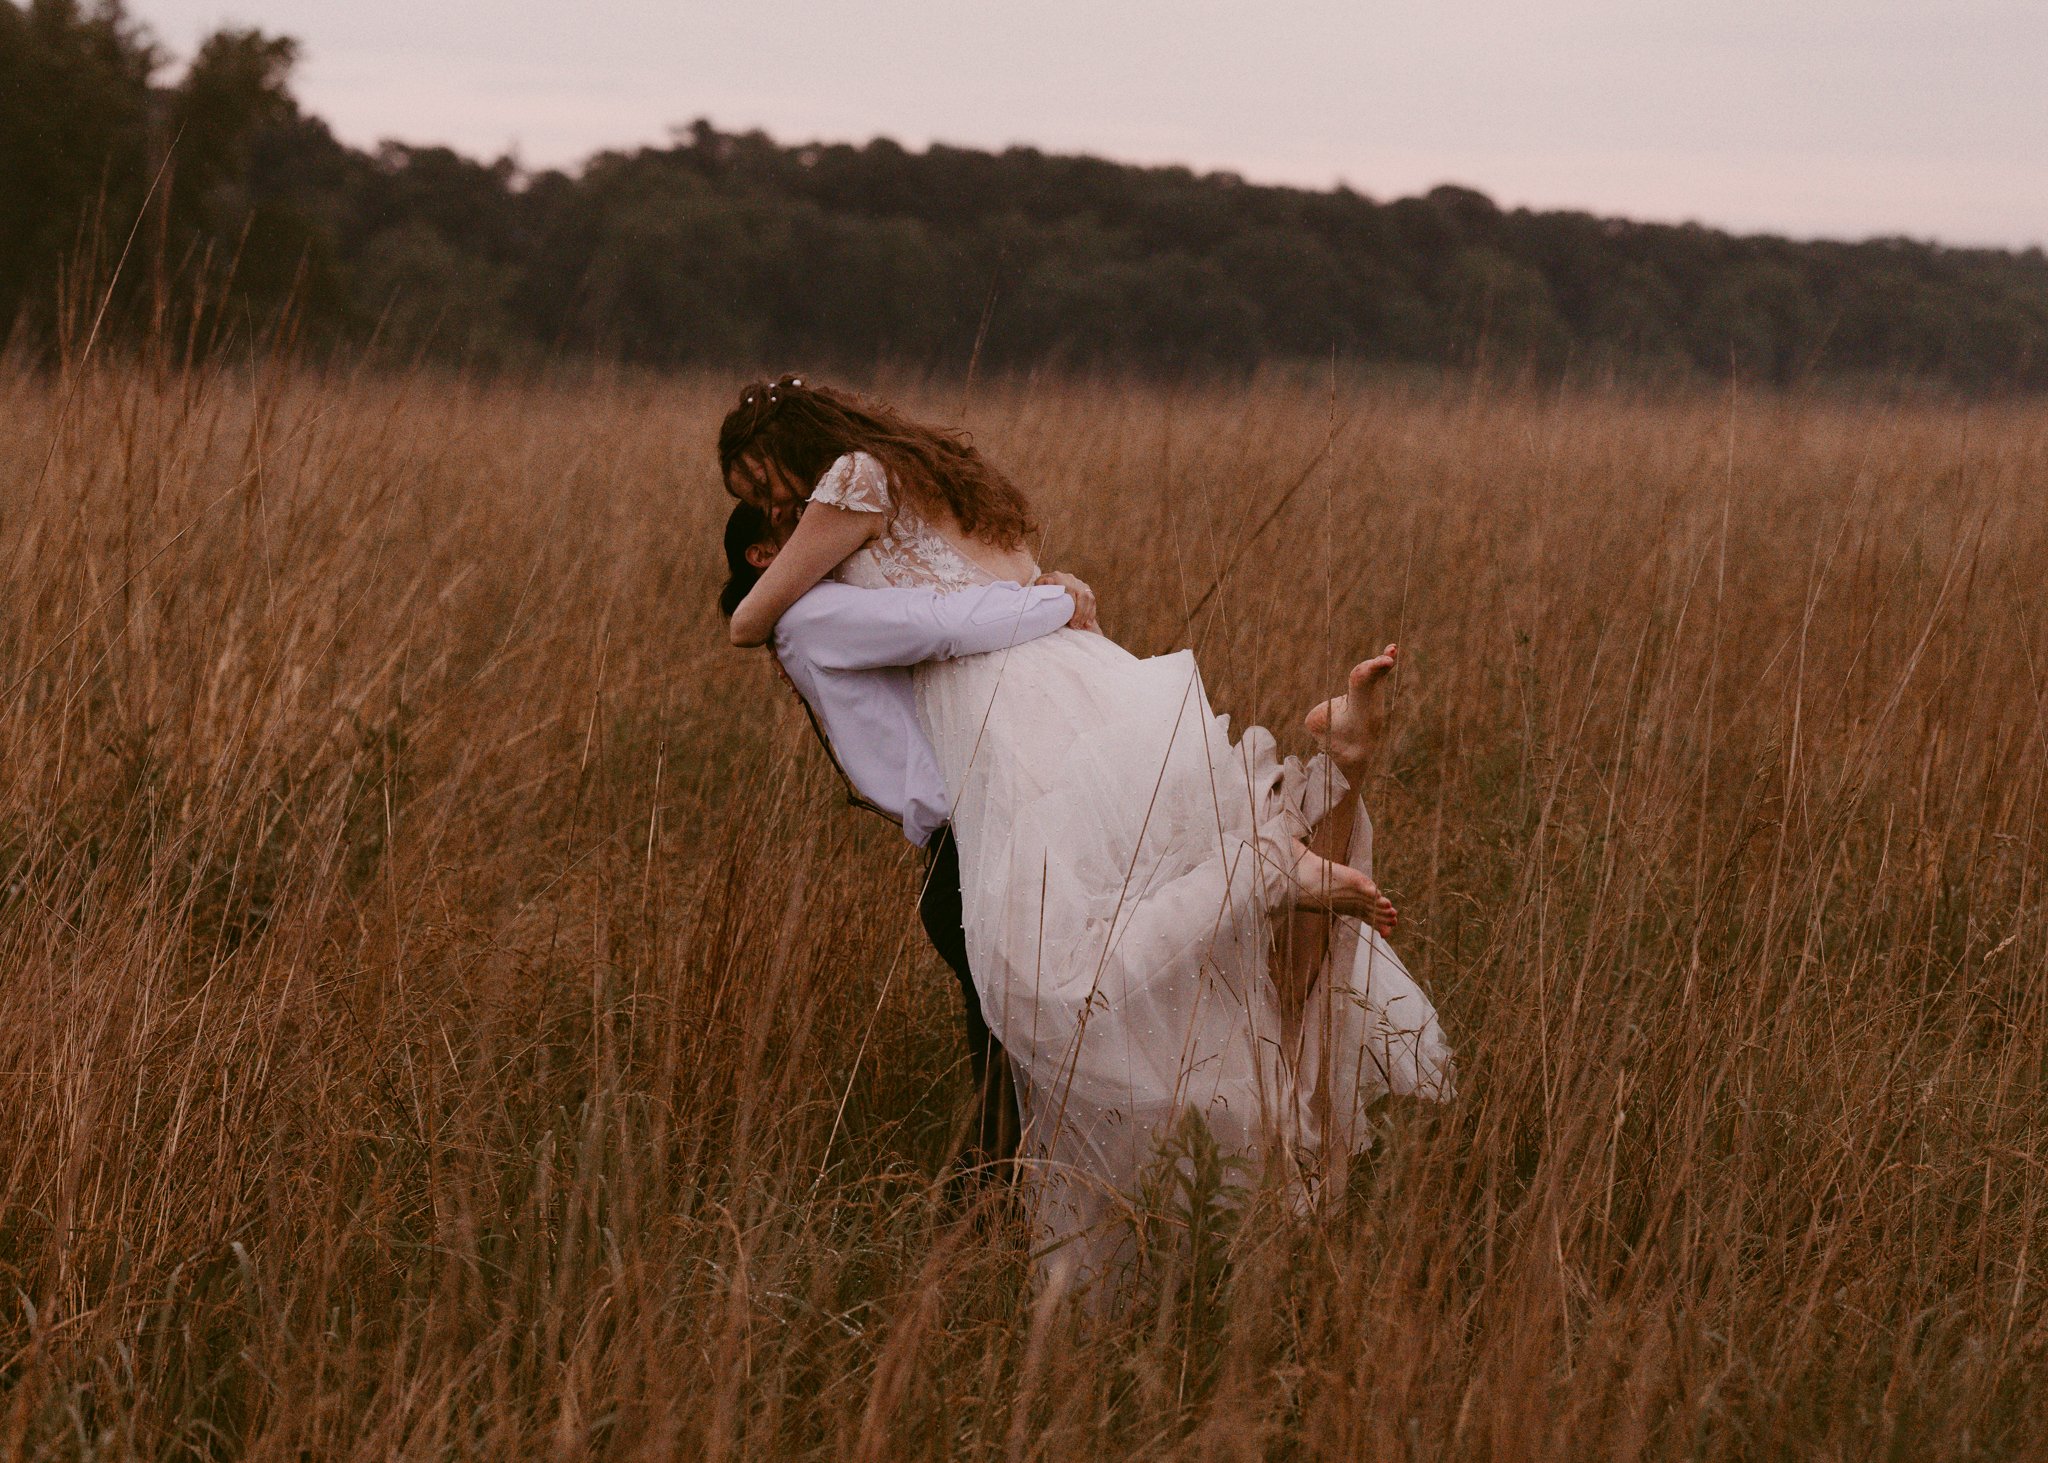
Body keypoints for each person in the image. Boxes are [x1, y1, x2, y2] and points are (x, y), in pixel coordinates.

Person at [721, 375, 1453, 1292]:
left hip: (1015, 731)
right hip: (1088, 699)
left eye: (762, 483)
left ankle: (1262, 866)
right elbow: (999, 594)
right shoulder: (947, 480)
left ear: (796, 444)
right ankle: (1333, 784)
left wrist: (764, 589)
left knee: (1049, 990)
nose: (773, 507)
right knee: (1188, 978)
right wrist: (1055, 600)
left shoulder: (855, 483)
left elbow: (763, 614)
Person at [719, 499, 1087, 1171]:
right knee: (1014, 1064)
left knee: (1014, 1059)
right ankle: (973, 1227)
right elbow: (940, 624)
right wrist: (1058, 601)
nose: (813, 526)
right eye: (790, 522)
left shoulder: (817, 612)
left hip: (970, 852)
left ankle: (990, 1224)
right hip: (963, 857)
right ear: (763, 557)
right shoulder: (812, 615)